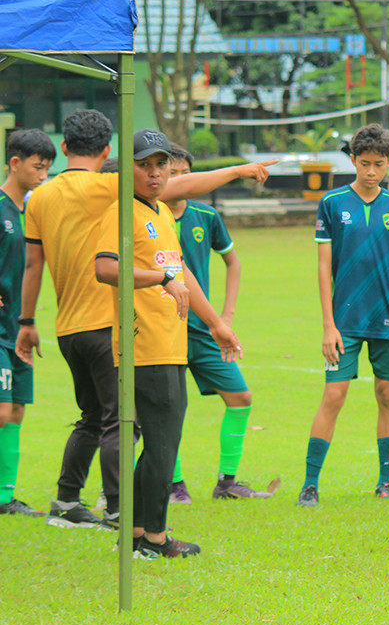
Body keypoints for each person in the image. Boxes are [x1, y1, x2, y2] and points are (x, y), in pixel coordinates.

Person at [16, 109, 273, 529]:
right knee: (125, 424)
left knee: (93, 417)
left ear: (64, 148)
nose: (156, 175)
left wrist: (28, 320)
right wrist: (237, 170)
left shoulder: (40, 196)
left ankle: (67, 501)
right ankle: (123, 510)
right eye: (147, 166)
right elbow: (178, 189)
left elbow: (32, 263)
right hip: (113, 322)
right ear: (107, 153)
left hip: (68, 326)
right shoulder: (112, 190)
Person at [94, 128, 243, 558]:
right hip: (145, 346)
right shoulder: (122, 212)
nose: (155, 173)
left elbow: (182, 273)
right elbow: (106, 269)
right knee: (162, 446)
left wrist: (215, 322)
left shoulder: (158, 213)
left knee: (162, 444)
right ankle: (152, 539)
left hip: (171, 343)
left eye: (161, 165)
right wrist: (161, 278)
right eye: (145, 165)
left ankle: (140, 533)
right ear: (130, 168)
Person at [296, 124, 389, 506]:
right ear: (352, 159)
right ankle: (310, 484)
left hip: (387, 319)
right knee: (334, 395)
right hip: (344, 321)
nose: (370, 172)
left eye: (378, 165)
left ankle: (385, 482)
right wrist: (328, 325)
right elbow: (321, 266)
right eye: (364, 164)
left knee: (387, 394)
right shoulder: (332, 204)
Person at [165, 144, 271, 503]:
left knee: (240, 397)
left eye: (185, 174)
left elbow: (233, 262)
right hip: (162, 329)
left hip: (204, 328)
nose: (179, 181)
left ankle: (227, 483)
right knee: (167, 406)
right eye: (172, 173)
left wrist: (225, 316)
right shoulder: (149, 216)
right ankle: (174, 484)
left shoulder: (205, 216)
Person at [0, 130, 55, 517]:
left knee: (16, 410)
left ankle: (5, 497)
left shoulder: (31, 213)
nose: (43, 174)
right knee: (1, 411)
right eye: (38, 166)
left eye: (48, 167)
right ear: (14, 163)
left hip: (18, 327)